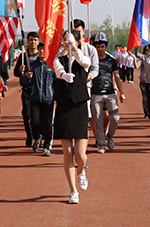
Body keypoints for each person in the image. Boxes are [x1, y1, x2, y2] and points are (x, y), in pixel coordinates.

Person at [53, 30, 91, 204]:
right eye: (65, 40)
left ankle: (81, 172)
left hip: (80, 106)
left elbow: (85, 62)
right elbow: (57, 68)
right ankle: (73, 190)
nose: (67, 42)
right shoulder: (58, 57)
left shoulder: (83, 55)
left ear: (77, 41)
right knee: (67, 152)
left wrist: (75, 48)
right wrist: (63, 75)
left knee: (80, 155)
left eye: (71, 40)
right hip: (64, 107)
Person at [91, 32, 126, 153]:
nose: (100, 49)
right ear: (95, 47)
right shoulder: (91, 61)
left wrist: (121, 92)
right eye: (98, 46)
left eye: (102, 46)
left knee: (115, 117)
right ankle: (101, 144)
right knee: (98, 120)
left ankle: (110, 136)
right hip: (96, 94)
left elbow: (117, 76)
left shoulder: (111, 60)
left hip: (110, 93)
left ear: (106, 47)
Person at [24, 42, 56, 155]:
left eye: (44, 49)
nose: (42, 51)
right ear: (37, 51)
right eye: (40, 49)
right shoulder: (32, 65)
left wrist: (55, 96)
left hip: (48, 99)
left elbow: (56, 83)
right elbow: (25, 81)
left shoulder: (52, 65)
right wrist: (27, 77)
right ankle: (37, 138)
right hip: (35, 98)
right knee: (34, 123)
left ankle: (47, 147)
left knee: (48, 124)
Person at [14, 31, 40, 147]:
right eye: (31, 40)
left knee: (38, 116)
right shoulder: (23, 57)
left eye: (35, 40)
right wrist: (20, 70)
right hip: (27, 89)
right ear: (27, 41)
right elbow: (15, 72)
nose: (33, 42)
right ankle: (29, 136)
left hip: (39, 89)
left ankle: (38, 136)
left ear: (38, 42)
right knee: (26, 114)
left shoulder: (41, 55)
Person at [129, 44, 150, 120]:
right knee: (146, 97)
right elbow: (137, 56)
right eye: (148, 49)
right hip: (144, 81)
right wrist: (137, 45)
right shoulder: (144, 58)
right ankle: (147, 112)